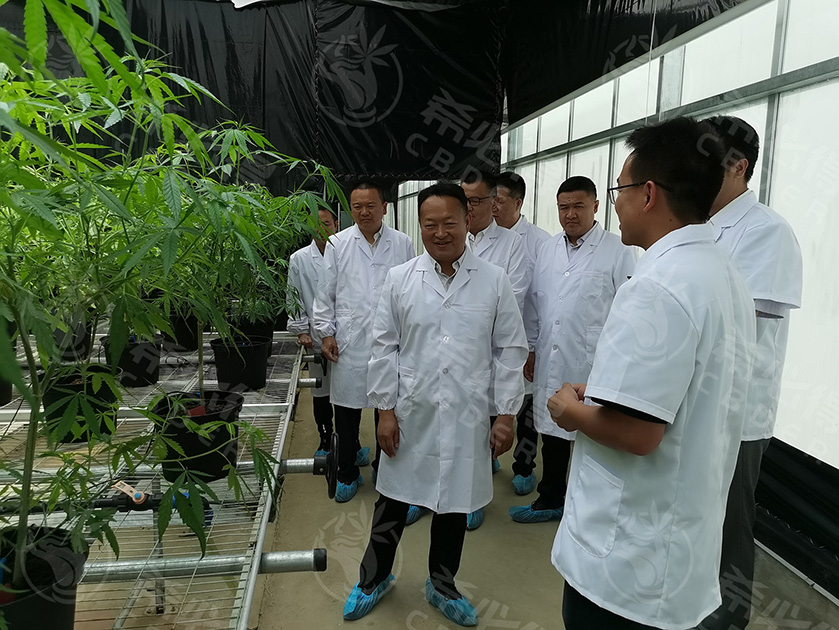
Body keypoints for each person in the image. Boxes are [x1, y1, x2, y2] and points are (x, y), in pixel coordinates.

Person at [548, 117, 756, 629]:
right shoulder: (721, 272)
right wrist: (603, 391)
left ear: (647, 194)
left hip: (626, 560)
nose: (615, 204)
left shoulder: (656, 286)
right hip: (676, 544)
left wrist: (569, 410)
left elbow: (639, 433)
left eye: (619, 190)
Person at [342, 182, 527, 627]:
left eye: (449, 223)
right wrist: (385, 411)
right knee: (391, 500)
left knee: (454, 505)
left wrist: (505, 414)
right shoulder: (400, 279)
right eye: (430, 225)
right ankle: (373, 578)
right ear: (419, 226)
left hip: (467, 415)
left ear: (468, 220)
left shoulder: (493, 281)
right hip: (412, 412)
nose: (440, 233)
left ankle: (442, 585)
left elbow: (510, 350)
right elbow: (384, 348)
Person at [696, 116, 803, 630]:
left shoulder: (767, 231)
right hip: (696, 401)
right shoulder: (701, 226)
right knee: (698, 515)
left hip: (737, 412)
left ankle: (729, 617)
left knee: (730, 521)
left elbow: (743, 321)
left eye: (708, 162)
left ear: (739, 166)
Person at [510, 176, 635, 524]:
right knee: (553, 430)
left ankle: (591, 508)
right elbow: (534, 304)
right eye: (563, 207)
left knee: (594, 436)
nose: (570, 214)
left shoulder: (618, 250)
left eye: (578, 206)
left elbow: (629, 310)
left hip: (595, 361)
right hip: (551, 354)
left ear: (595, 206)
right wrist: (531, 348)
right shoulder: (548, 249)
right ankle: (551, 498)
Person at [312, 179, 415, 503]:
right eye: (357, 207)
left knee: (388, 409)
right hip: (350, 341)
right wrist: (326, 332)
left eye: (370, 206)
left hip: (392, 341)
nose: (364, 212)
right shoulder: (338, 243)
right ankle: (346, 471)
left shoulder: (403, 243)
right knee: (346, 411)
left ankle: (385, 470)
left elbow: (413, 291)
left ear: (384, 208)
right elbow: (325, 292)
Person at [460, 169, 530, 530]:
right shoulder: (453, 238)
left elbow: (511, 300)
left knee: (487, 422)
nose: (469, 207)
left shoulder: (512, 244)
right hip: (455, 351)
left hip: (491, 349)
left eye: (477, 200)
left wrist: (467, 314)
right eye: (465, 200)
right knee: (456, 423)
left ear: (493, 202)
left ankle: (475, 495)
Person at [493, 172, 550, 496]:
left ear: (518, 203)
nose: (493, 207)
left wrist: (532, 345)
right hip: (491, 342)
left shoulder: (540, 243)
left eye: (499, 201)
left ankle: (524, 466)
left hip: (526, 339)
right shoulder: (479, 238)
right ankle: (488, 456)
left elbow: (543, 298)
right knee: (490, 404)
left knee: (526, 409)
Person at [287, 206, 340, 456]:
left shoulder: (345, 253)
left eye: (326, 224)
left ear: (336, 224)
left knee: (346, 395)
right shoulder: (299, 259)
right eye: (315, 225)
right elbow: (294, 295)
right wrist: (301, 330)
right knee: (320, 392)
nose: (321, 230)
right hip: (316, 338)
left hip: (346, 336)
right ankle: (325, 437)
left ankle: (350, 442)